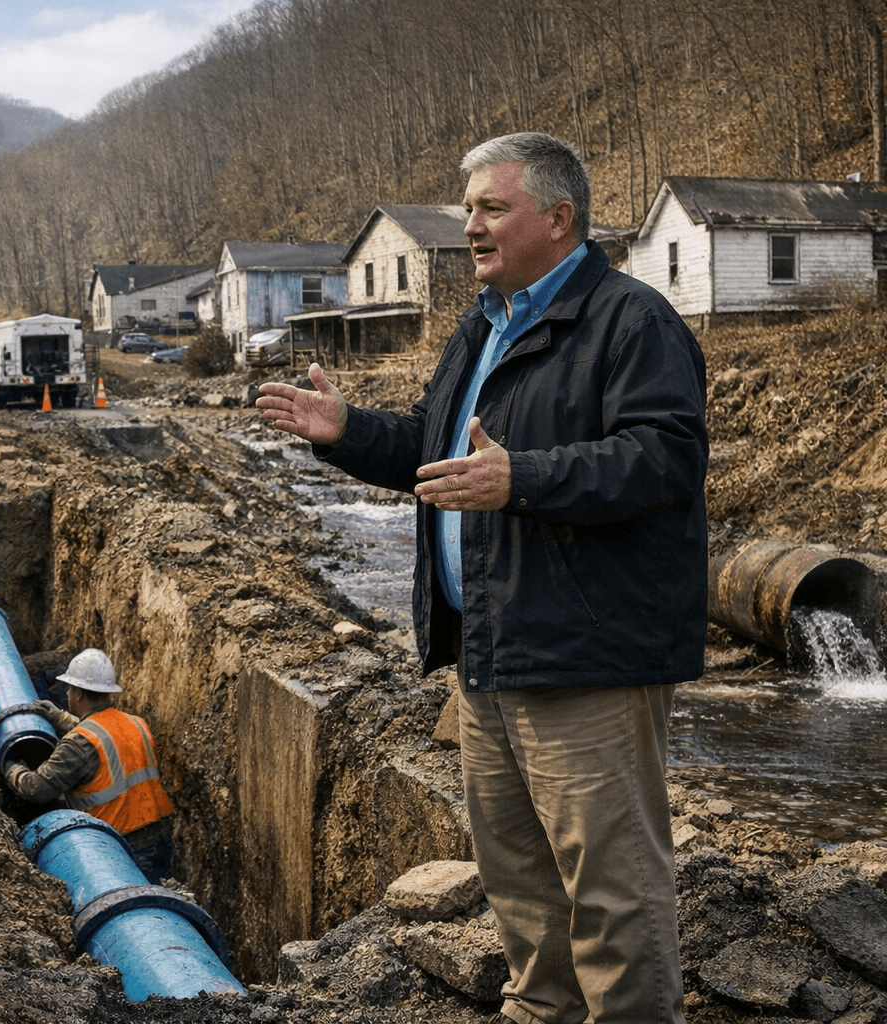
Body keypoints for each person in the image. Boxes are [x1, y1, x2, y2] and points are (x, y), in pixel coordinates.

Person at [256, 132, 706, 1024]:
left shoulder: (631, 320)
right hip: (491, 653)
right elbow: (438, 453)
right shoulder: (482, 327)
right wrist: (347, 431)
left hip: (588, 659)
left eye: (492, 208)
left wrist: (523, 478)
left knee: (613, 897)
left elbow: (665, 458)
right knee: (523, 895)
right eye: (468, 209)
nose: (469, 226)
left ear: (559, 218)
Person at [1, 649, 176, 884]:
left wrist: (12, 767)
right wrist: (62, 718)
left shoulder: (78, 744)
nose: (67, 693)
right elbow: (103, 735)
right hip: (158, 836)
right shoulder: (136, 723)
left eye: (69, 689)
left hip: (119, 843)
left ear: (79, 695)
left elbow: (37, 789)